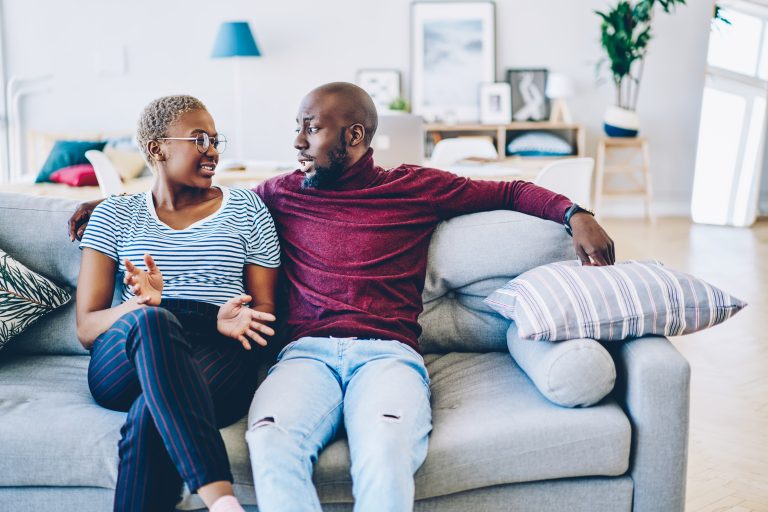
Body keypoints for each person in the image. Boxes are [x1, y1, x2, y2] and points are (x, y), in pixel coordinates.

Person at [70, 83, 614, 512]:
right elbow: (199, 197)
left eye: (311, 129)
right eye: (297, 128)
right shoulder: (279, 193)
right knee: (272, 445)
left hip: (388, 356)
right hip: (303, 358)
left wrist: (575, 213)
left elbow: (509, 189)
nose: (297, 142)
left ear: (353, 137)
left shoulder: (414, 186)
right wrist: (110, 204)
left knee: (383, 448)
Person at [75, 95, 280, 512]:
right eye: (199, 139)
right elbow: (87, 328)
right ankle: (222, 500)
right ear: (157, 149)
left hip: (218, 357)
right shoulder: (115, 215)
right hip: (125, 357)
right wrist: (154, 305)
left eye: (216, 140)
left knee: (156, 405)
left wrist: (185, 309)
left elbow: (262, 319)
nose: (213, 150)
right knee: (153, 322)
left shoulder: (247, 208)